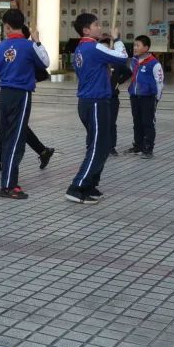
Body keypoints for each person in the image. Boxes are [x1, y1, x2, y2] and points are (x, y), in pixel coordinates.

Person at [65, 13, 128, 205]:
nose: (100, 27)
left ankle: (90, 185)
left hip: (88, 102)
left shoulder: (81, 49)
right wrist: (116, 38)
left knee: (101, 145)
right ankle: (77, 187)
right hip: (95, 102)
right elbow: (122, 58)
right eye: (96, 25)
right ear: (86, 30)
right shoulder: (93, 47)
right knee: (98, 146)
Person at [0, 9, 50, 200]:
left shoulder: (1, 46)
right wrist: (37, 41)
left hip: (5, 93)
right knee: (16, 139)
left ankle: (8, 182)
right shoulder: (28, 46)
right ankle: (8, 185)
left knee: (9, 135)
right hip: (21, 93)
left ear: (7, 26)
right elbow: (45, 62)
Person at [0, 26, 55, 174]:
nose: (7, 31)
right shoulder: (6, 46)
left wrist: (28, 78)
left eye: (9, 28)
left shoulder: (28, 48)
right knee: (11, 126)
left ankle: (2, 163)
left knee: (11, 127)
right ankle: (42, 151)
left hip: (20, 92)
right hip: (9, 91)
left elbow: (44, 68)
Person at [127, 35, 164, 159]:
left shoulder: (154, 63)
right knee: (136, 122)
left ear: (146, 47)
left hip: (148, 98)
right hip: (135, 96)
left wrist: (156, 99)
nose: (135, 48)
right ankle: (138, 145)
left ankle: (148, 148)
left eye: (138, 45)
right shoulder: (134, 61)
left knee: (147, 123)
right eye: (134, 45)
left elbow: (159, 82)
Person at [101, 36, 131, 156]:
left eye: (107, 47)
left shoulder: (115, 62)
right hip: (99, 97)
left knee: (111, 123)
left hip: (112, 98)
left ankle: (111, 147)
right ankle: (96, 145)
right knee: (99, 123)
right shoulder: (98, 62)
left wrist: (119, 81)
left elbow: (128, 72)